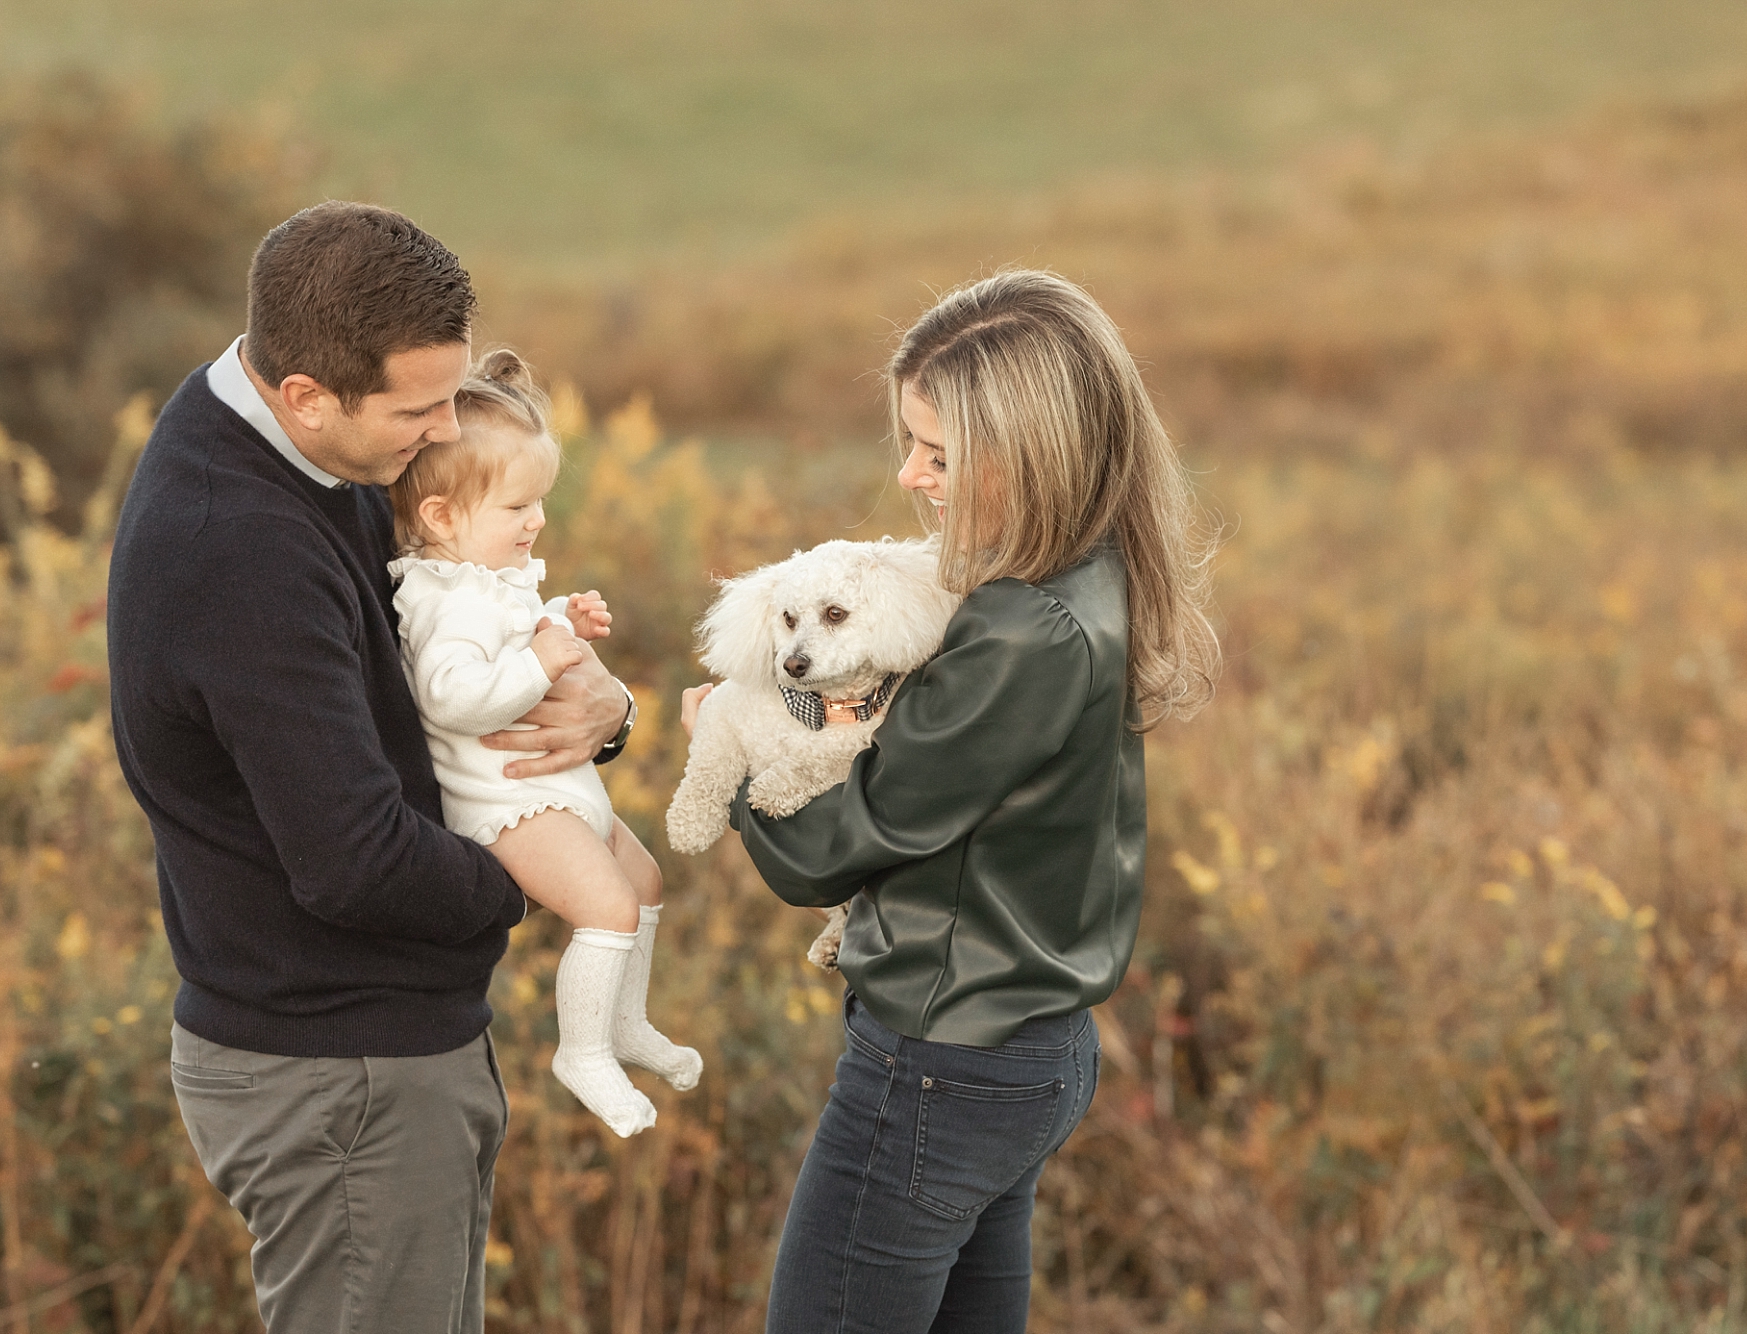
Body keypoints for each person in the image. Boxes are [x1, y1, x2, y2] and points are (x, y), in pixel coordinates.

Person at [106, 202, 632, 1332]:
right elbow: (352, 860)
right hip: (337, 1070)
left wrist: (602, 707)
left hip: (372, 1051)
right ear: (306, 393)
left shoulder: (292, 445)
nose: (444, 429)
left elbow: (438, 660)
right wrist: (537, 877)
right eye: (417, 408)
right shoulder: (234, 544)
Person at [682, 269, 1219, 1332]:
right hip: (1029, 1047)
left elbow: (828, 850)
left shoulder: (1017, 630)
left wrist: (732, 745)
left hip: (939, 1063)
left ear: (1034, 453)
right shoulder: (1086, 572)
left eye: (939, 452)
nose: (908, 473)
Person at [385, 349, 700, 1138]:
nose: (537, 521)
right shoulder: (440, 601)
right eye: (519, 507)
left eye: (540, 502)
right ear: (442, 518)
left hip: (552, 787)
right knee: (608, 905)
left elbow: (515, 628)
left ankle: (625, 1022)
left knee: (646, 882)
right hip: (507, 801)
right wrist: (544, 656)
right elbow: (451, 696)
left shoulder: (479, 572)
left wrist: (560, 616)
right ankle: (584, 1051)